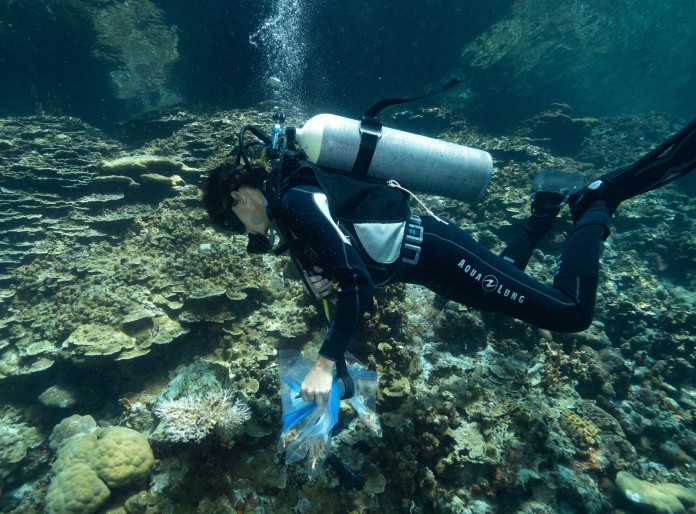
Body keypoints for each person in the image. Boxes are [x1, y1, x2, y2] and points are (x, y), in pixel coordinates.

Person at [202, 118, 696, 405]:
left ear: (237, 197)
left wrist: (327, 364)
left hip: (436, 251)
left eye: (231, 224)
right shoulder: (292, 207)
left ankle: (596, 201)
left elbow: (357, 285)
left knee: (570, 313)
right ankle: (545, 207)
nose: (241, 233)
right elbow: (347, 282)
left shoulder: (292, 202)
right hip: (429, 263)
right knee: (500, 299)